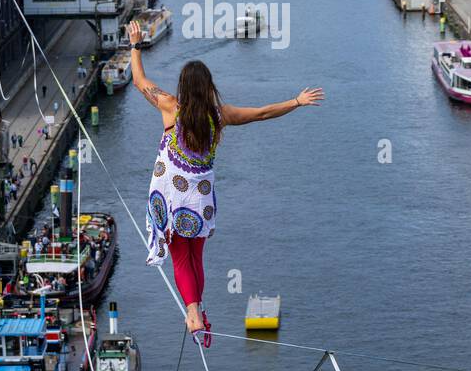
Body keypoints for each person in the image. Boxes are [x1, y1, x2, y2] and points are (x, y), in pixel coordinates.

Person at [126, 18, 323, 342]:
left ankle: (191, 312)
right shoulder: (220, 115)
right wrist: (296, 101)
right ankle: (199, 309)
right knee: (195, 255)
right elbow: (262, 113)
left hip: (173, 200)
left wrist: (135, 45)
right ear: (208, 87)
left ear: (183, 87)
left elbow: (138, 80)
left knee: (179, 257)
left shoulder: (170, 108)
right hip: (200, 202)